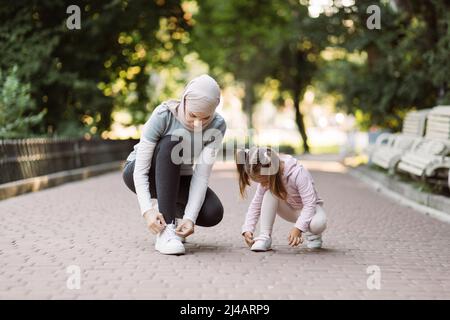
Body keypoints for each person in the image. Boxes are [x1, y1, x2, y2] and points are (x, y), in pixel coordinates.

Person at [123, 74, 226, 255]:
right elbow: (140, 170)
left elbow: (201, 176)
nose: (197, 123)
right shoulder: (163, 115)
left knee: (213, 212)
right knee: (172, 142)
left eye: (205, 118)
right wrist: (147, 211)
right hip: (141, 171)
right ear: (184, 100)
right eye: (193, 115)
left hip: (179, 176)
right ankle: (166, 231)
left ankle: (169, 212)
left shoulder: (217, 126)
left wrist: (190, 218)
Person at [236, 147, 327, 252]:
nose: (262, 185)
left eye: (264, 181)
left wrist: (298, 228)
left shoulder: (298, 174)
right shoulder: (267, 178)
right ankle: (264, 237)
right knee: (270, 194)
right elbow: (256, 205)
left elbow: (310, 205)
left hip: (310, 210)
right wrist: (247, 229)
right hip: (290, 210)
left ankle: (313, 235)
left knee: (318, 224)